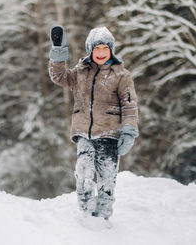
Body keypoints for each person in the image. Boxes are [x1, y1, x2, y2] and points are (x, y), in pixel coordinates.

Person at [48, 25, 139, 220]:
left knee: (106, 180)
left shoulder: (121, 75)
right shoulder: (80, 72)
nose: (101, 53)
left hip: (109, 135)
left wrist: (129, 131)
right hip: (84, 135)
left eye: (105, 49)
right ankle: (86, 216)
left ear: (111, 50)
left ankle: (104, 219)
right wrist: (58, 50)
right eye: (97, 49)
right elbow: (59, 76)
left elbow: (129, 104)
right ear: (90, 50)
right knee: (83, 174)